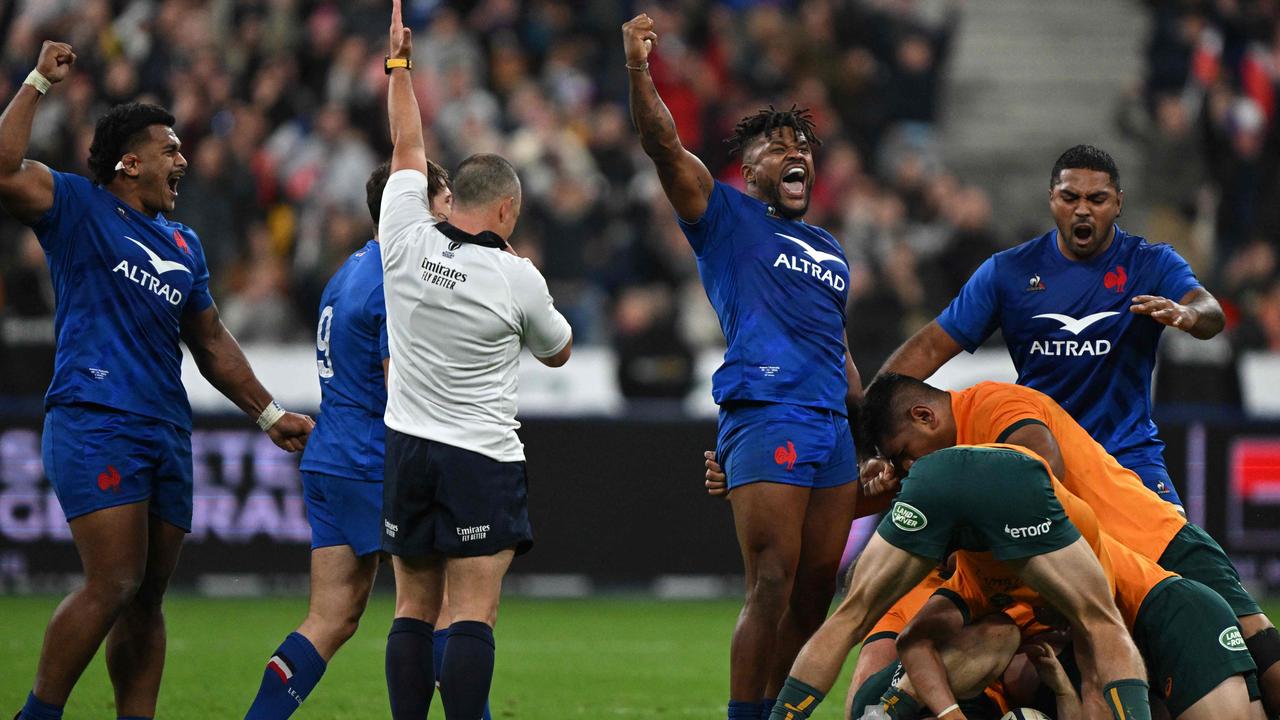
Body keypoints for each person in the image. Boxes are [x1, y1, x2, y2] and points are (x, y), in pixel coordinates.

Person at [0, 42, 314, 720]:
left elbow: (211, 342)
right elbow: (1, 169)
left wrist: (267, 413)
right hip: (95, 414)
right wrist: (36, 82)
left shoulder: (183, 244)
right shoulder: (75, 206)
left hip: (166, 426)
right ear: (129, 162)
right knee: (112, 582)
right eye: (170, 150)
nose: (184, 161)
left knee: (145, 597)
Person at [622, 15, 862, 719]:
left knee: (818, 590)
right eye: (778, 148)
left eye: (805, 148)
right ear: (748, 168)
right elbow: (662, 144)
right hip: (769, 410)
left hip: (832, 426)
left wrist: (868, 430)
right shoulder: (723, 215)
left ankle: (773, 711)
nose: (797, 156)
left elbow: (837, 347)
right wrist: (639, 71)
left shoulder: (830, 248)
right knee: (772, 581)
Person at [861, 373, 1280, 716]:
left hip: (1154, 542)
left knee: (1259, 648)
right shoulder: (950, 475)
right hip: (1100, 578)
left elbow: (1042, 466)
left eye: (903, 455)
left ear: (923, 415)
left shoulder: (991, 403)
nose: (907, 469)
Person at [378, 2, 572, 717]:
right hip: (479, 456)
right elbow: (559, 352)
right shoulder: (517, 275)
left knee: (411, 604)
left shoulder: (402, 234)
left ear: (448, 194)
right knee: (471, 612)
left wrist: (400, 65)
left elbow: (405, 146)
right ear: (506, 212)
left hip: (406, 446)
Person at [878, 144, 1223, 512]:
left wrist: (1188, 315)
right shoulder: (1008, 272)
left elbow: (1210, 311)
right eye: (1070, 197)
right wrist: (870, 423)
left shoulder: (1151, 264)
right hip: (1040, 458)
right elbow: (930, 348)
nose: (1083, 209)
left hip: (1128, 458)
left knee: (1179, 564)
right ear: (1051, 199)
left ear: (1119, 203)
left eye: (1098, 198)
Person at [240, 160, 453, 718]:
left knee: (331, 618)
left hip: (329, 457)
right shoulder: (397, 277)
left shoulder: (348, 270)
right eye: (444, 198)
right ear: (415, 206)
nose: (450, 209)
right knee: (443, 607)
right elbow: (398, 384)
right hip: (373, 461)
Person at [765, 444, 1153, 720]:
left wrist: (1063, 688)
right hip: (903, 699)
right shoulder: (995, 583)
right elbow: (903, 645)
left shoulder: (999, 585)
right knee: (1080, 625)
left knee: (851, 615)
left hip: (946, 474)